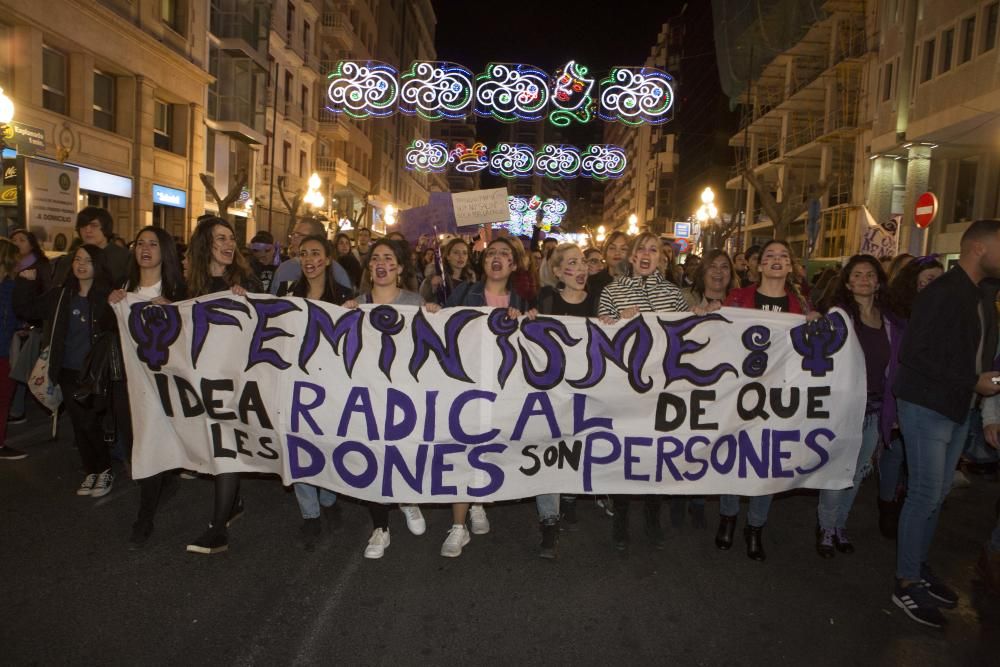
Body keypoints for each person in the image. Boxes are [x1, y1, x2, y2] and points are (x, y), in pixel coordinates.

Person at [890, 220, 1000, 629]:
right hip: (927, 406)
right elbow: (915, 354)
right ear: (979, 248)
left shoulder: (979, 295)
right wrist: (972, 381)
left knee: (935, 495)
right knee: (923, 494)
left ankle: (916, 566)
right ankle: (905, 582)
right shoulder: (943, 292)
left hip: (957, 407)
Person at [717, 240, 814, 561]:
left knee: (767, 461)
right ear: (758, 266)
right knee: (734, 455)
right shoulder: (738, 299)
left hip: (780, 397)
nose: (776, 260)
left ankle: (755, 526)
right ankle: (728, 517)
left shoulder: (801, 307)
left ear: (790, 266)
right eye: (769, 256)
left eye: (783, 256)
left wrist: (817, 325)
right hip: (739, 393)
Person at [343, 238, 434, 559]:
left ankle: (407, 500)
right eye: (376, 258)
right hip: (368, 396)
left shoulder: (415, 302)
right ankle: (380, 527)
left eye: (389, 258)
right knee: (374, 457)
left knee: (404, 452)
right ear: (369, 267)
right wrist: (341, 319)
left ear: (399, 267)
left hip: (406, 395)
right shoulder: (356, 304)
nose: (382, 263)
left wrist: (436, 316)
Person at [597, 231, 688, 552]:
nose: (647, 254)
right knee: (626, 451)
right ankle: (620, 518)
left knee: (656, 452)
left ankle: (652, 515)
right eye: (641, 250)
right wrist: (612, 322)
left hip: (662, 387)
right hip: (625, 386)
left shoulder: (675, 295)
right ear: (632, 257)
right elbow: (599, 336)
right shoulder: (612, 290)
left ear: (662, 258)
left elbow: (685, 336)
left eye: (654, 250)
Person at [442, 236, 531, 557]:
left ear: (514, 264)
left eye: (504, 254)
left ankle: (479, 501)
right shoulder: (465, 293)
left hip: (502, 390)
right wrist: (435, 312)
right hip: (465, 385)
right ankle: (457, 526)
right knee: (464, 450)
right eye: (491, 253)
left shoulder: (522, 300)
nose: (497, 258)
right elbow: (442, 330)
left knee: (488, 450)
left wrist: (529, 322)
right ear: (482, 262)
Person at [814, 255, 901, 558]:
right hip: (844, 409)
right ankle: (826, 527)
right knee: (837, 470)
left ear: (878, 281)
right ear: (848, 283)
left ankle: (840, 524)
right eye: (857, 275)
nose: (864, 280)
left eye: (870, 275)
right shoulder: (839, 317)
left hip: (876, 410)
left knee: (858, 471)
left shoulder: (889, 321)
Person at [184, 217, 262, 555]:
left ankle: (218, 528)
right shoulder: (188, 285)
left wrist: (249, 303)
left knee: (225, 445)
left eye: (231, 238)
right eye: (220, 238)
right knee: (213, 445)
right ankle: (233, 501)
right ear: (206, 244)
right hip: (200, 378)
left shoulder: (246, 280)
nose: (229, 244)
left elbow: (266, 324)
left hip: (235, 380)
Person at [106, 226, 187, 548]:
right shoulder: (123, 289)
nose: (145, 249)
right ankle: (163, 479)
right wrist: (110, 304)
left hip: (161, 384)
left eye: (153, 244)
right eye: (140, 243)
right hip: (127, 381)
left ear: (163, 251)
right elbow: (105, 327)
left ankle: (145, 516)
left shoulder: (178, 290)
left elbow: (192, 335)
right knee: (133, 440)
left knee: (150, 442)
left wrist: (175, 313)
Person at [14, 244, 115, 494]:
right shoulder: (61, 295)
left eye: (88, 260)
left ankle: (103, 471)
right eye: (77, 259)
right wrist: (25, 283)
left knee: (91, 422)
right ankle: (92, 470)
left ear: (98, 265)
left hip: (95, 372)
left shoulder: (107, 297)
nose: (81, 264)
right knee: (80, 424)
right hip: (67, 369)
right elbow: (28, 310)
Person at [287, 235, 353, 551]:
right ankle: (310, 514)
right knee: (298, 445)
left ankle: (328, 496)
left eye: (316, 253)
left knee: (327, 444)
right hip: (295, 382)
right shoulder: (288, 294)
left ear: (328, 259)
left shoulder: (344, 297)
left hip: (332, 384)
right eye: (303, 254)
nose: (309, 259)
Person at [533, 243, 598, 558]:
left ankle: (570, 495)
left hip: (587, 390)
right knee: (549, 449)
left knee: (578, 445)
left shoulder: (599, 302)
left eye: (583, 261)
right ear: (558, 272)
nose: (581, 267)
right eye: (572, 262)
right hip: (550, 390)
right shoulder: (546, 300)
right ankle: (549, 519)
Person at [878, 256, 945, 538]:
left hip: (931, 396)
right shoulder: (896, 316)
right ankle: (887, 505)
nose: (935, 286)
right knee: (895, 453)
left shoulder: (946, 313)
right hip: (899, 391)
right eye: (929, 279)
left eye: (940, 280)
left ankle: (906, 502)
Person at [8, 229, 50, 424]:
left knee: (23, 366)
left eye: (22, 240)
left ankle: (18, 410)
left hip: (32, 325)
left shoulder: (40, 266)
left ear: (31, 243)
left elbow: (44, 296)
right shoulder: (12, 265)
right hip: (15, 323)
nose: (17, 243)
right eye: (13, 240)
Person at [270, 219, 351, 295]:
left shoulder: (337, 273)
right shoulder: (284, 269)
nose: (293, 239)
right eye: (293, 234)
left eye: (298, 235)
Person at [52, 207, 129, 286]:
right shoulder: (68, 260)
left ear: (105, 228)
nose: (87, 230)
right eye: (83, 226)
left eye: (94, 225)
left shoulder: (124, 258)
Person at [0, 240, 26, 460]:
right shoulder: (10, 287)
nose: (20, 263)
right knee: (3, 397)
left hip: (4, 348)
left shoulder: (11, 286)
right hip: (2, 351)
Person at [419, 237, 475, 306]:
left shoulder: (471, 281)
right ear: (448, 256)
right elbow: (421, 301)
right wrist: (432, 288)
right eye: (456, 252)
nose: (461, 256)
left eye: (464, 253)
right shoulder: (434, 278)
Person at [587, 232, 628, 298]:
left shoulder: (637, 281)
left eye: (623, 249)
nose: (617, 253)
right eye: (612, 248)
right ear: (605, 253)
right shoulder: (592, 282)